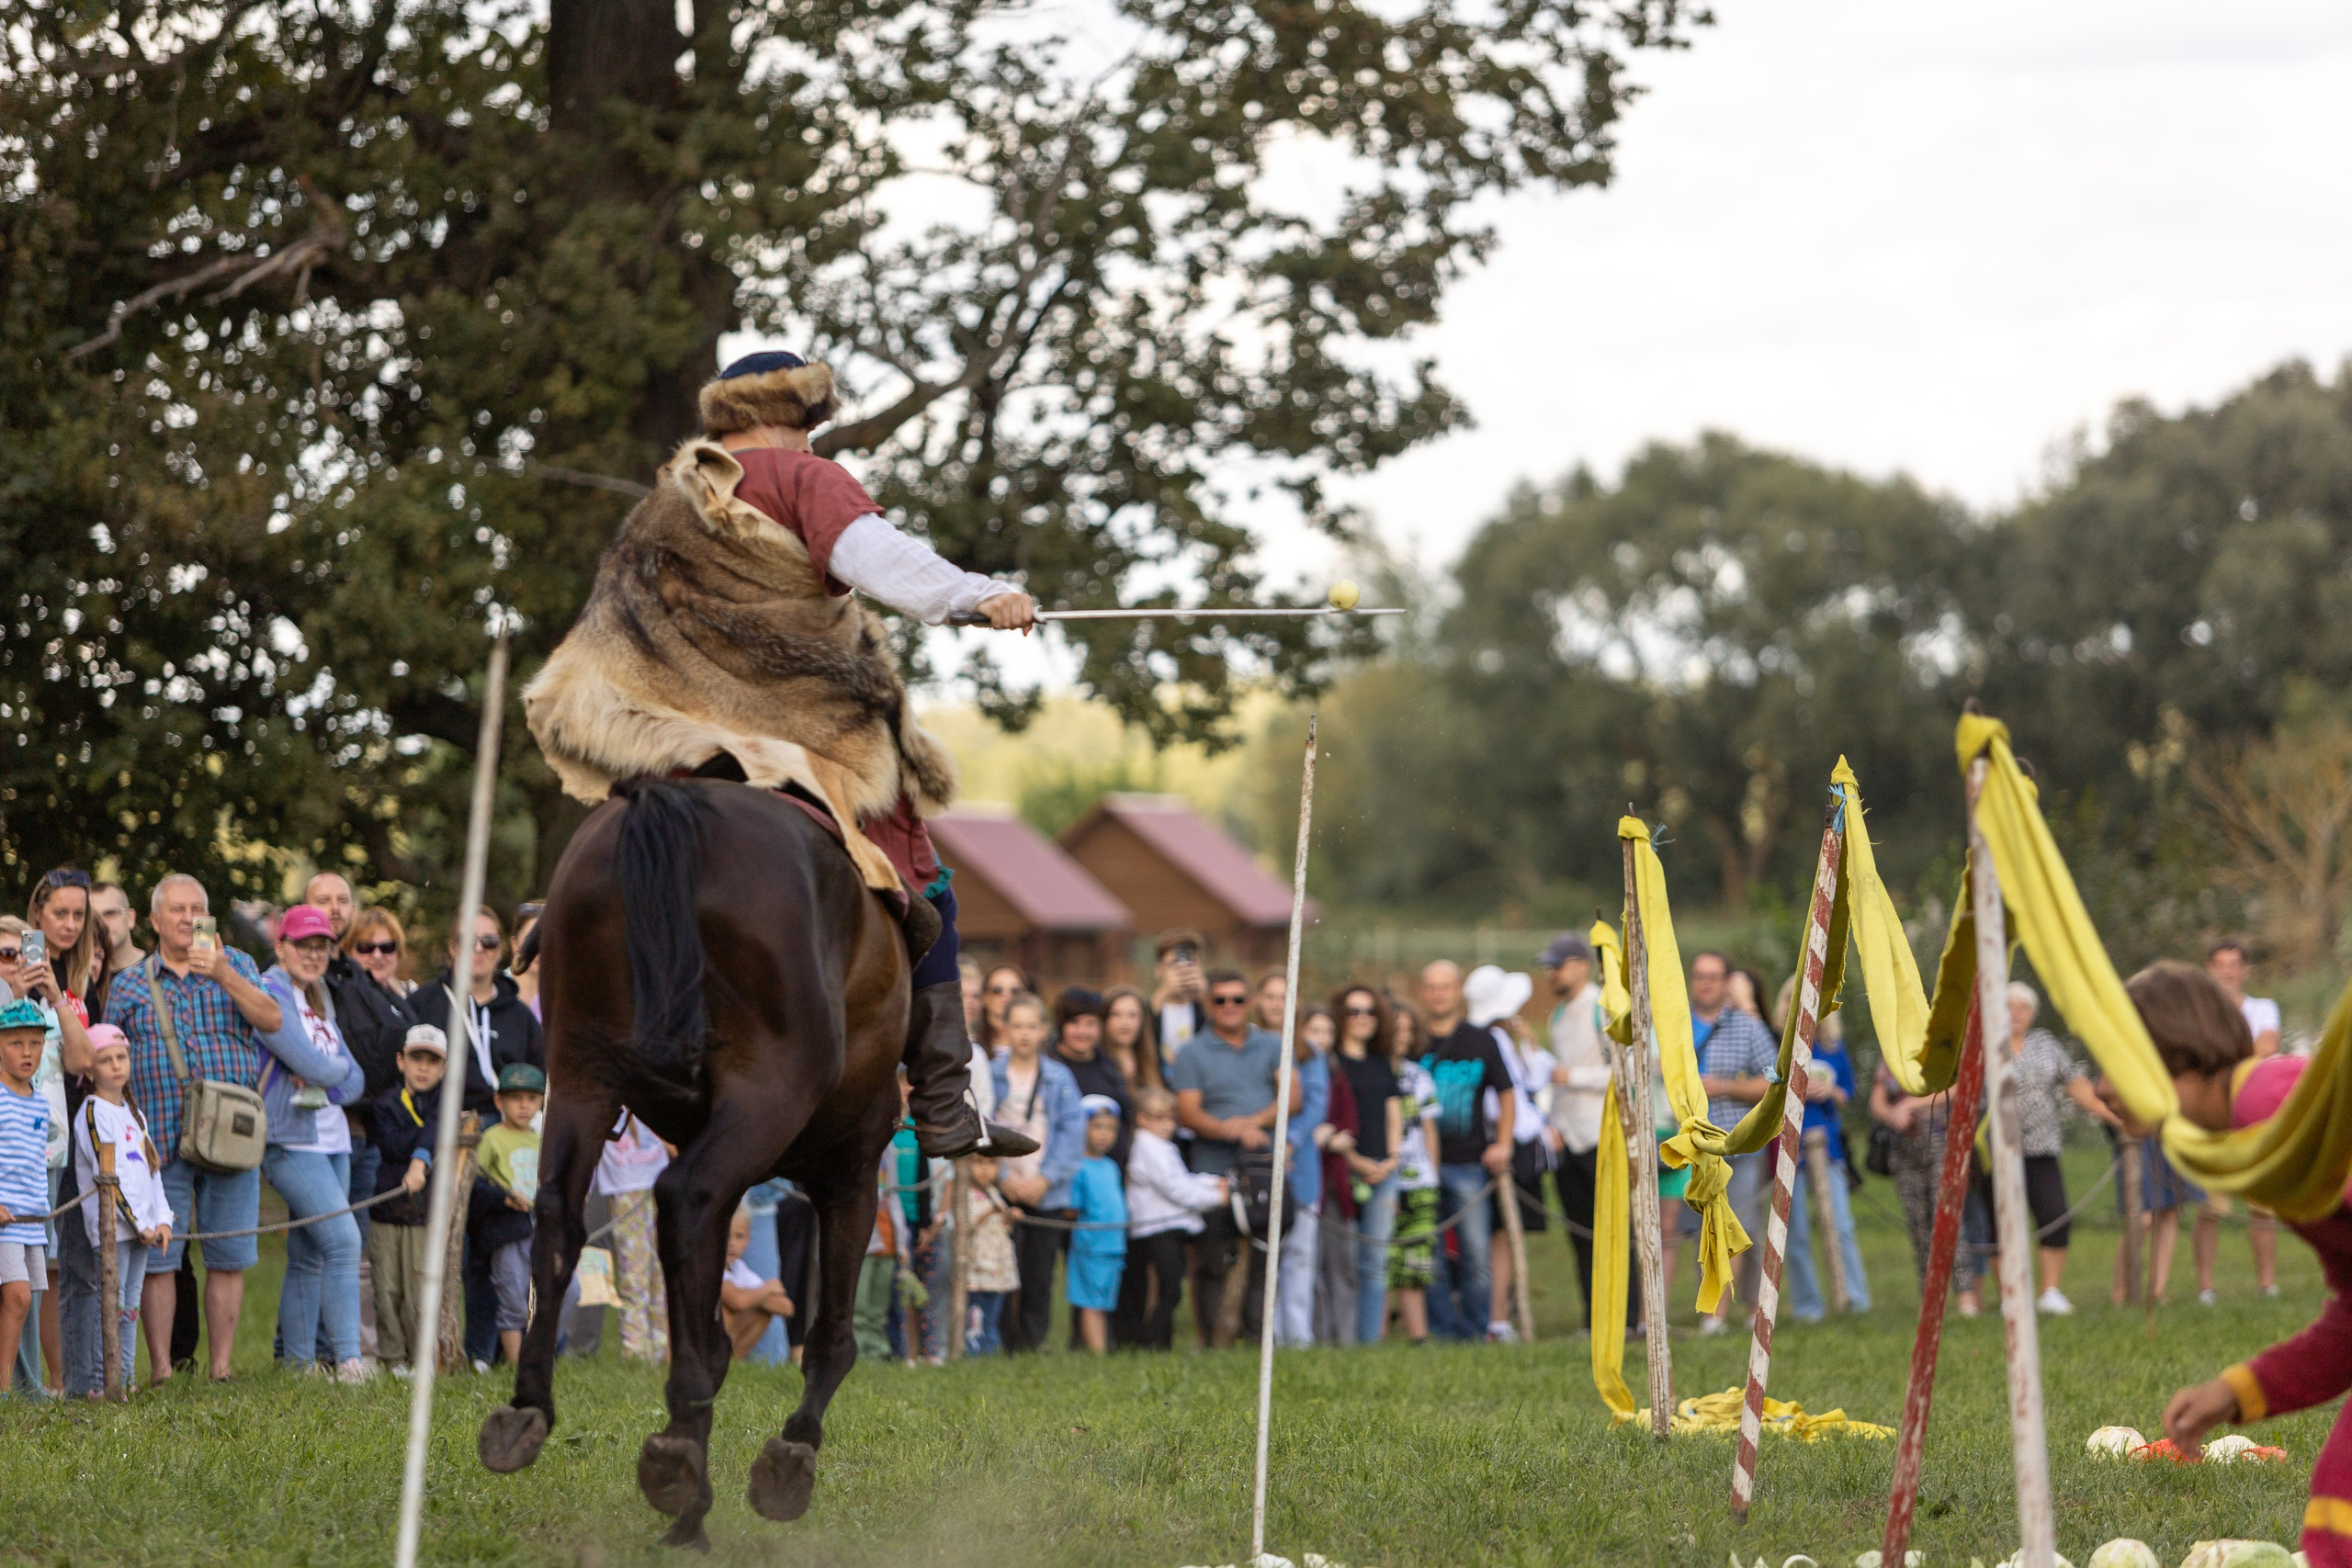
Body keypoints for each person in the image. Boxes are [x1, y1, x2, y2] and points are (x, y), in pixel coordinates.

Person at [2139, 962, 2351, 1564]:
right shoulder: (2250, 1132)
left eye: (2116, 1064)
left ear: (2174, 1058)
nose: (2101, 1088)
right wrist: (2236, 1392)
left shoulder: (2267, 1104)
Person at [100, 873, 290, 1384]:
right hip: (159, 1141)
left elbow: (273, 1020)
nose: (188, 918)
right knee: (161, 1256)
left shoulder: (239, 965)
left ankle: (221, 1368)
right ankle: (162, 1370)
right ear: (155, 920)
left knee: (229, 1255)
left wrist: (225, 974)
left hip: (231, 1137)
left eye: (197, 909)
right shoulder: (130, 984)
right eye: (177, 910)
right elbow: (109, 1058)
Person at [257, 905, 371, 1380]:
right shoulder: (272, 990)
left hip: (333, 1139)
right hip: (289, 1139)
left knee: (308, 1255)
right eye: (303, 945)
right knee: (344, 1241)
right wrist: (328, 1072)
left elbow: (355, 1080)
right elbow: (317, 1065)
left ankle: (298, 1366)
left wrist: (327, 1080)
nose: (313, 954)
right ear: (281, 946)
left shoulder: (318, 994)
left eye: (321, 946)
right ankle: (349, 1361)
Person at [1170, 969, 1294, 1348]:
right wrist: (1230, 1130)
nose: (1229, 1006)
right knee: (1212, 1259)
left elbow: (1292, 1096)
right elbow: (1188, 1112)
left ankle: (1255, 1338)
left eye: (1237, 999)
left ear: (1249, 1002)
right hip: (1212, 1169)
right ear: (1208, 1004)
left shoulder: (1272, 1044)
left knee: (1263, 1255)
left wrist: (1251, 1124)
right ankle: (1212, 1340)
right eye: (1220, 999)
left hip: (1262, 1166)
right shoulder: (1192, 1051)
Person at [1993, 981, 2122, 1315]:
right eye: (2009, 1006)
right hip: (1996, 1150)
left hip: (2042, 1147)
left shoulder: (2046, 1044)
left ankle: (2050, 1291)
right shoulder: (1986, 1043)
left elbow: (2075, 1084)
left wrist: (2112, 1115)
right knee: (2000, 1222)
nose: (2015, 1013)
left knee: (2055, 1215)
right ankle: (2009, 1293)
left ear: (2032, 1013)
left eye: (2022, 1008)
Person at [1415, 961, 1515, 1343]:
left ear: (1458, 991)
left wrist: (1503, 1142)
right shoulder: (1413, 1041)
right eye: (1431, 987)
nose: (1438, 994)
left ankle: (1475, 1329)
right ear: (1423, 992)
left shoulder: (1481, 1040)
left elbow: (1507, 1094)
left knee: (1475, 1253)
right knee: (1431, 1253)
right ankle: (1440, 1331)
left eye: (1445, 986)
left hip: (1469, 1163)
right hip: (1421, 1164)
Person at [71, 1024, 171, 1394]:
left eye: (121, 1057)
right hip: (115, 1231)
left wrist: (162, 1220)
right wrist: (139, 1223)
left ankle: (124, 1383)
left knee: (130, 1310)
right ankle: (105, 1385)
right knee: (112, 1308)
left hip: (143, 1231)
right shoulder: (92, 1112)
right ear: (89, 1068)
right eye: (105, 1060)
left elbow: (152, 1172)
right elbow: (107, 1176)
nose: (116, 1065)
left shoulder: (134, 1114)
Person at [1687, 949, 1776, 1335]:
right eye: (1699, 976)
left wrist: (1725, 1087)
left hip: (1737, 1144)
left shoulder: (1747, 1027)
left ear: (1727, 983)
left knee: (1739, 1226)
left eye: (1713, 976)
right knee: (1702, 1233)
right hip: (1690, 1148)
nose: (1705, 983)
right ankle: (1717, 1309)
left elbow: (1774, 1079)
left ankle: (1721, 1315)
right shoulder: (1675, 1025)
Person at [988, 992, 1083, 1353]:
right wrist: (1001, 1177)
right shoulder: (991, 1074)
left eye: (1032, 1026)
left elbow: (1072, 1132)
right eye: (1017, 1026)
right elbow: (981, 1127)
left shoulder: (1059, 1077)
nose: (1025, 1034)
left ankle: (1031, 1342)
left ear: (1044, 1030)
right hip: (1002, 1188)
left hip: (1047, 1191)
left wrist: (1045, 1179)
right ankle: (999, 1341)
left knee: (1039, 1273)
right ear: (1004, 1028)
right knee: (999, 1267)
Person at [1773, 979, 1871, 1324]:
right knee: (1796, 1230)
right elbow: (1766, 1084)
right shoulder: (1779, 1045)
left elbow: (1847, 1094)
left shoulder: (1833, 1047)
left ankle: (1855, 1299)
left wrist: (1828, 1091)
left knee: (1841, 1225)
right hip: (1789, 1147)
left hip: (1828, 1147)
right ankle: (1807, 1307)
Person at [1539, 933, 1623, 1333]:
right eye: (1549, 967)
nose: (1552, 973)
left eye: (1558, 965)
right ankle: (1593, 1320)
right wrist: (1551, 1122)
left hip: (1601, 1134)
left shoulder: (1602, 1007)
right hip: (1567, 1137)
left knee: (1615, 1233)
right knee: (1580, 1235)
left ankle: (1627, 1319)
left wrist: (1570, 1076)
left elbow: (1625, 1070)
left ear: (1582, 965)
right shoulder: (1557, 1015)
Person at [1464, 964, 1546, 1344]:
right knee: (1502, 1238)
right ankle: (1496, 1318)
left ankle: (1498, 1315)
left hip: (1507, 1141)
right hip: (1511, 1143)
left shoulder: (1491, 1037)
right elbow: (1506, 1097)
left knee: (1501, 1236)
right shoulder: (1492, 1040)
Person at [367, 1024, 450, 1373]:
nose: (423, 1068)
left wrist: (423, 1150)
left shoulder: (445, 1103)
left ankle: (422, 1358)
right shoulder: (385, 1103)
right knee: (387, 1290)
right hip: (387, 1209)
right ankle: (392, 1359)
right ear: (401, 1061)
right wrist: (427, 1142)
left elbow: (436, 1126)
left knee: (419, 1292)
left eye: (433, 1061)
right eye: (417, 1058)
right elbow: (393, 1145)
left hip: (424, 1213)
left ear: (443, 1068)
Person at [1120, 1088, 1227, 1349]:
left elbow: (1182, 1180)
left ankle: (1160, 1345)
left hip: (1166, 1226)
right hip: (1158, 1227)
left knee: (1168, 1289)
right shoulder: (1149, 1147)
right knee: (1169, 1290)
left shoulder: (1159, 1146)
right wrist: (1218, 1197)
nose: (1168, 1125)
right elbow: (1177, 1189)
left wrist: (1213, 1183)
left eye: (1171, 1118)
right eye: (1160, 1118)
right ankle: (1149, 1343)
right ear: (1142, 1119)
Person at [2207, 937, 2283, 1299]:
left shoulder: (2264, 1008)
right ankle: (2206, 1289)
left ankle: (2266, 1284)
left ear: (2244, 970)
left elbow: (2268, 1046)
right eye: (2220, 964)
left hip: (2254, 1114)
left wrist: (2220, 1053)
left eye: (2233, 964)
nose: (2227, 972)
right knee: (2210, 1206)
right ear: (2210, 969)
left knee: (2262, 1205)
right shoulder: (2201, 1011)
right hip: (2214, 1116)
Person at [409, 908, 542, 1115]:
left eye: (489, 942)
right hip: (439, 1124)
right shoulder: (423, 1002)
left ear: (500, 950)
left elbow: (540, 1081)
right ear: (453, 948)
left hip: (506, 1126)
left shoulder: (522, 1016)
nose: (479, 948)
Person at [1329, 986, 1401, 1347]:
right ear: (1341, 1016)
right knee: (1342, 1259)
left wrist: (1392, 1159)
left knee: (1375, 1259)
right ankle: (1340, 1337)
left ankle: (1369, 1340)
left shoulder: (1381, 1062)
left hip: (1383, 1171)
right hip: (1342, 1170)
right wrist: (1354, 1160)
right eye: (1354, 1010)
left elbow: (1393, 1114)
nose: (1362, 1018)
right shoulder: (1330, 1064)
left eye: (1369, 1011)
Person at [472, 1063, 544, 1368]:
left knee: (565, 1292)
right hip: (507, 1230)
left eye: (532, 1098)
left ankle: (541, 1357)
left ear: (542, 1102)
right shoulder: (491, 1138)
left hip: (542, 1229)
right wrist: (503, 1199)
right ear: (499, 1101)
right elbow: (473, 1184)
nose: (524, 1105)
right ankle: (516, 1366)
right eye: (515, 1098)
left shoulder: (543, 1140)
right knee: (514, 1297)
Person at [0, 999, 54, 1397]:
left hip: (31, 1219)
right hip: (4, 1219)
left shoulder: (40, 1101)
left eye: (35, 1043)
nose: (27, 1052)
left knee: (25, 1300)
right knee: (17, 1296)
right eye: (15, 1043)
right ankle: (4, 1392)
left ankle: (12, 1390)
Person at [1274, 1003, 1335, 1348]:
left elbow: (1315, 1103)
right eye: (1269, 996)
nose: (1275, 1004)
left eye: (1282, 998)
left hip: (1301, 1166)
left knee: (1300, 1253)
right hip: (1259, 1156)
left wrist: (1291, 1140)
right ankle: (1266, 1333)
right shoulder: (1251, 1044)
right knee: (1266, 1255)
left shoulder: (1309, 1052)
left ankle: (1297, 1337)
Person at [597, 1111, 673, 1364]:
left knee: (661, 1271)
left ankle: (662, 1348)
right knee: (634, 1273)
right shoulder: (608, 1100)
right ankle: (635, 1351)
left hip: (660, 1184)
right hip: (624, 1190)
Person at [1386, 1028, 1444, 1346]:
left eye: (1407, 1029)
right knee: (1380, 1260)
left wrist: (1432, 1176)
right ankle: (1373, 1339)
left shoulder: (1419, 1075)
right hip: (1380, 1178)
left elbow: (1429, 1130)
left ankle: (1418, 1338)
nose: (1401, 1035)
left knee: (1415, 1262)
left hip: (1419, 1181)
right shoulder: (1372, 1070)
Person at [1068, 1097, 1129, 1353]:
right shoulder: (1076, 1166)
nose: (1104, 1134)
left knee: (1104, 1301)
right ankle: (1097, 1354)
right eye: (1097, 1127)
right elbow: (1071, 1209)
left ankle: (1100, 1349)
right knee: (1091, 1301)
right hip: (1091, 1245)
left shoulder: (1111, 1166)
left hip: (1114, 1245)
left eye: (1111, 1128)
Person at [1051, 987, 1133, 1164]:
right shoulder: (1050, 1066)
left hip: (1111, 1170)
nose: (1083, 1031)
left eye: (1090, 1023)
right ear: (1061, 1025)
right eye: (1074, 1022)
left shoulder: (1108, 1064)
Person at [960, 1153, 1020, 1355]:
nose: (985, 1168)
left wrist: (1010, 1217)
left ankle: (989, 1350)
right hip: (975, 1269)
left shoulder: (994, 1193)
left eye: (991, 1163)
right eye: (978, 1162)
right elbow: (965, 1225)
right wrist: (990, 1211)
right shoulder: (964, 1194)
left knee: (991, 1314)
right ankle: (972, 1351)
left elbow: (1002, 1227)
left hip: (995, 1269)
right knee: (973, 1314)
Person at [720, 1203, 795, 1359]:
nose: (731, 1243)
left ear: (748, 1239)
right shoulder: (710, 1268)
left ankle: (730, 1360)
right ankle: (712, 1358)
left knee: (763, 1312)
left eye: (739, 1236)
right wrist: (767, 1289)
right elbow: (738, 1301)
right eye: (725, 1235)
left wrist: (753, 1297)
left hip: (726, 1338)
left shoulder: (739, 1267)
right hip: (701, 1338)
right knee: (728, 1308)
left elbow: (787, 1308)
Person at [1150, 931, 1210, 1059]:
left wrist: (1207, 995)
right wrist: (1164, 992)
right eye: (1174, 964)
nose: (1183, 970)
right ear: (1158, 970)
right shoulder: (1147, 1012)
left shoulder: (1207, 1010)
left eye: (1190, 964)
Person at [89, 882, 144, 1010]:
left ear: (130, 918)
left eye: (110, 913)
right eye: (94, 917)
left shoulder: (159, 970)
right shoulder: (83, 976)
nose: (103, 923)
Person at [1102, 987, 1162, 1092]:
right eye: (1116, 1014)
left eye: (1132, 1015)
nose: (1125, 1022)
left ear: (1143, 1019)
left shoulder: (1152, 1060)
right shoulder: (1096, 1061)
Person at [346, 907, 414, 998]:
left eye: (387, 947)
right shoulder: (338, 998)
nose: (377, 955)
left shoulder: (414, 995)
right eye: (366, 947)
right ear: (350, 952)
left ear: (398, 951)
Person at [977, 964, 1033, 1056]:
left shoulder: (1040, 1049)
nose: (1006, 995)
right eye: (997, 990)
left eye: (1015, 991)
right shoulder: (971, 1049)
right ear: (984, 997)